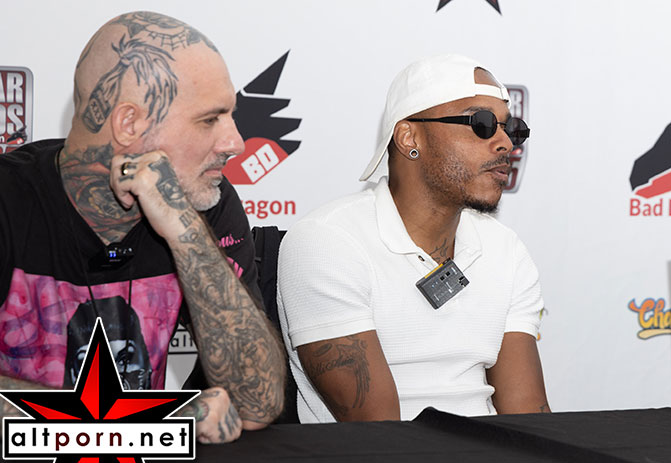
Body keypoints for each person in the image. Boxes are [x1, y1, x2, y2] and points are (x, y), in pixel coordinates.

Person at [0, 11, 286, 443]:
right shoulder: (8, 198)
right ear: (129, 123)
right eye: (210, 119)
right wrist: (146, 421)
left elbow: (256, 404)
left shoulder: (202, 200)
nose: (235, 143)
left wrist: (185, 233)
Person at [277, 54, 549, 423]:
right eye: (482, 124)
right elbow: (379, 431)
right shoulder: (327, 241)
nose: (505, 144)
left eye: (511, 129)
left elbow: (528, 416)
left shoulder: (505, 248)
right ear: (409, 137)